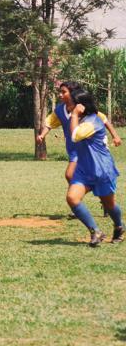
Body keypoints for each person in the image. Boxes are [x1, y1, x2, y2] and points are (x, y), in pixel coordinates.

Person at [37, 81, 121, 217]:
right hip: (74, 150)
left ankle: (78, 203)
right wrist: (42, 135)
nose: (60, 95)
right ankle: (99, 202)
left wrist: (115, 136)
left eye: (63, 92)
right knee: (79, 176)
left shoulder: (83, 108)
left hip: (86, 149)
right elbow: (49, 123)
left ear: (73, 93)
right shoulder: (60, 110)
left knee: (70, 174)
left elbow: (104, 120)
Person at [66, 89, 123, 247]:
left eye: (70, 102)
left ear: (81, 106)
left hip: (101, 170)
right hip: (84, 169)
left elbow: (75, 136)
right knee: (72, 198)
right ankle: (95, 231)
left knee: (109, 205)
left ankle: (119, 226)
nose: (67, 104)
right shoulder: (84, 119)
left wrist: (75, 115)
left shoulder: (92, 122)